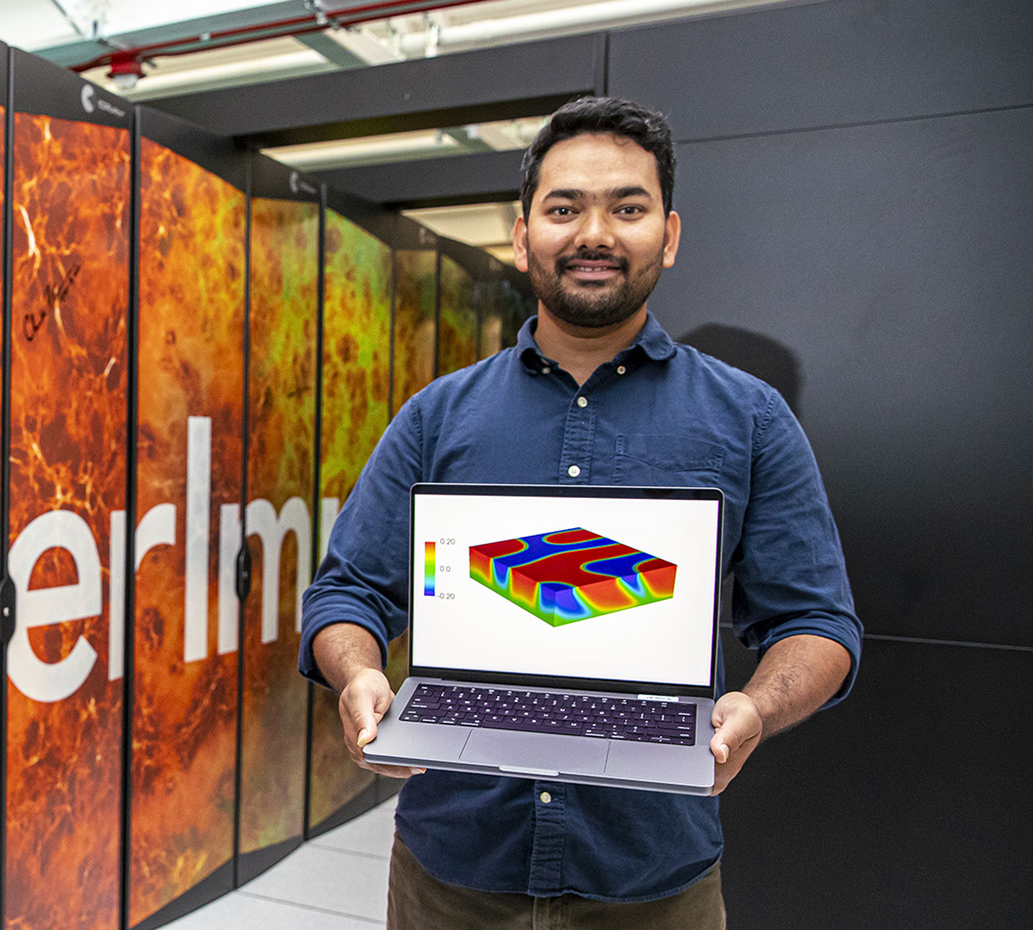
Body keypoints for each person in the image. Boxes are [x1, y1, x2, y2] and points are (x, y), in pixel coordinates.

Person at [298, 96, 862, 928]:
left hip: (650, 880)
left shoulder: (747, 418)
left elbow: (817, 624)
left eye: (626, 207)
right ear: (521, 235)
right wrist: (358, 674)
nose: (593, 233)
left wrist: (754, 709)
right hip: (450, 873)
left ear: (667, 235)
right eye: (563, 208)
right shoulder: (436, 417)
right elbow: (345, 593)